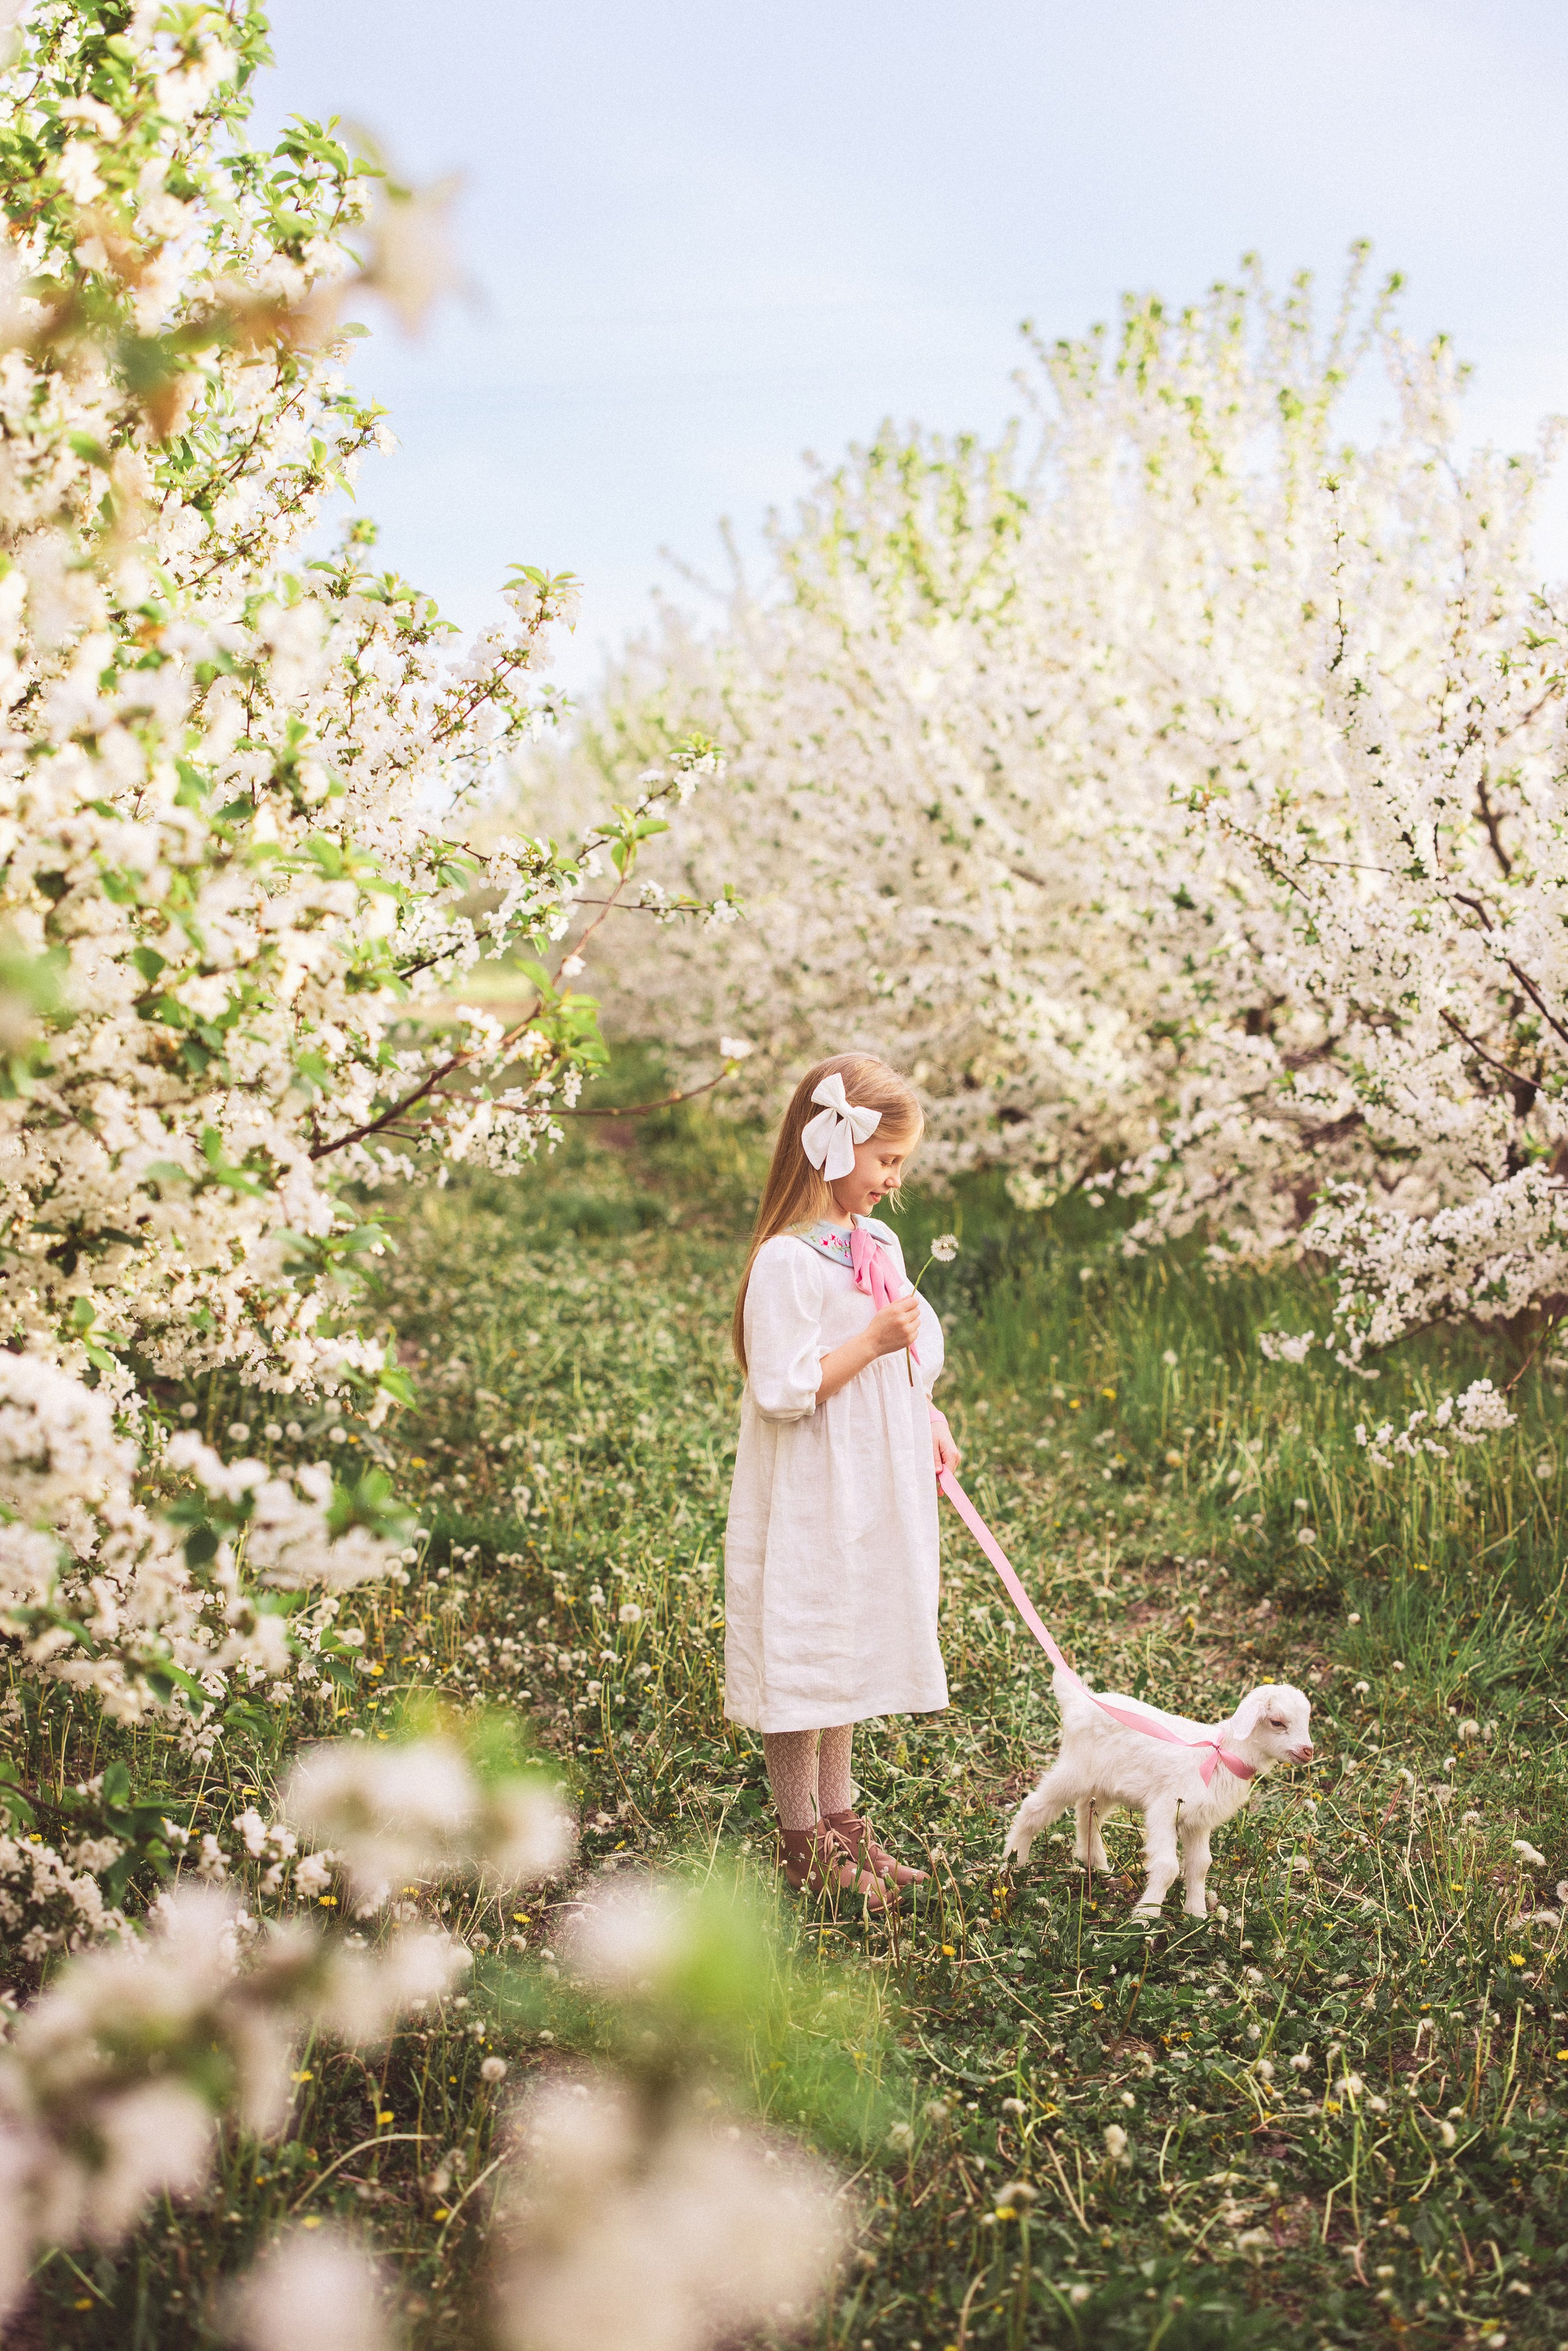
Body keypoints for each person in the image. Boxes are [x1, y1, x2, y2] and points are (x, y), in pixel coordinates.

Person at [724, 1052, 960, 1908]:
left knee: (846, 1643)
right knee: (806, 1651)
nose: (895, 1180)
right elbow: (782, 1388)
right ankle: (802, 1841)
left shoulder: (876, 1241)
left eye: (902, 1163)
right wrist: (870, 1343)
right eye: (886, 1159)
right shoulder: (787, 1261)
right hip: (812, 1488)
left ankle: (841, 1819)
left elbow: (909, 1355)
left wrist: (926, 1412)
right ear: (833, 1143)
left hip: (871, 1484)